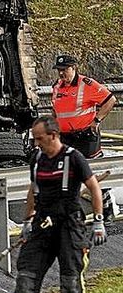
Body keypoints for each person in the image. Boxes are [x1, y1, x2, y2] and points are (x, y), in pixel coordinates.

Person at [15, 116, 106, 293]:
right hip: (42, 224)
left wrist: (98, 221)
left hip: (70, 224)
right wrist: (27, 221)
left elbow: (94, 187)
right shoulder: (37, 160)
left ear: (53, 135)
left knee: (70, 281)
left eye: (39, 139)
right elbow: (33, 190)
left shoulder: (73, 158)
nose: (36, 143)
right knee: (26, 276)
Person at [51, 53, 117, 222]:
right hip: (66, 137)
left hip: (86, 137)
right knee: (66, 175)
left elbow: (110, 100)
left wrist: (96, 121)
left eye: (64, 70)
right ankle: (72, 212)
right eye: (59, 70)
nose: (61, 74)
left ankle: (106, 208)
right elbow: (56, 111)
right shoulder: (57, 86)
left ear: (74, 68)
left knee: (93, 173)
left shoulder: (86, 84)